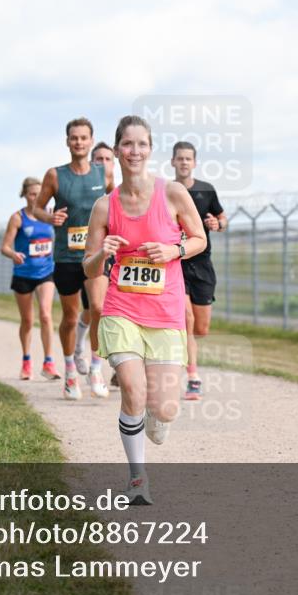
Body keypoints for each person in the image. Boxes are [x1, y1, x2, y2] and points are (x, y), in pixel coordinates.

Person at [84, 115, 206, 505]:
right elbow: (87, 266)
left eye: (141, 144)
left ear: (150, 149)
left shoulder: (172, 194)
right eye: (127, 144)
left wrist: (174, 250)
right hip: (122, 308)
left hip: (165, 311)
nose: (134, 151)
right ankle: (138, 480)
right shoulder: (105, 206)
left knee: (165, 409)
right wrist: (101, 255)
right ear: (116, 150)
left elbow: (200, 237)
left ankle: (158, 416)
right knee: (133, 391)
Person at [33, 117, 113, 400]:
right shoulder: (55, 175)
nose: (78, 142)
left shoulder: (103, 173)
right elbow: (38, 208)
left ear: (91, 141)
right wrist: (49, 216)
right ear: (67, 142)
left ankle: (94, 368)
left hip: (95, 254)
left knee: (100, 309)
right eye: (74, 138)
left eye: (83, 137)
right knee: (69, 316)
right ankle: (69, 372)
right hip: (66, 257)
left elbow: (117, 203)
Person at [171, 142, 228, 400]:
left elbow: (223, 219)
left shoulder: (206, 190)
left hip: (203, 264)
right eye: (180, 158)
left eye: (188, 159)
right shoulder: (166, 191)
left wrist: (218, 223)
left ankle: (183, 352)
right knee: (186, 319)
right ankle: (193, 376)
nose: (184, 162)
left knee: (201, 328)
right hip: (177, 262)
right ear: (173, 162)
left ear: (194, 163)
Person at [0, 177, 61, 381]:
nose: (36, 197)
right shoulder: (17, 218)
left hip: (46, 272)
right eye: (32, 194)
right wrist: (13, 255)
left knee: (45, 315)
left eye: (39, 193)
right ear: (25, 195)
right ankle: (26, 362)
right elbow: (5, 247)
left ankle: (49, 362)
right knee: (27, 320)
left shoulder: (50, 215)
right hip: (23, 274)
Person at [71, 141, 115, 378]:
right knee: (92, 309)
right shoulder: (83, 188)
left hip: (109, 257)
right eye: (98, 159)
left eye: (108, 159)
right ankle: (79, 348)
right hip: (80, 256)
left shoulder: (119, 193)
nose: (103, 163)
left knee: (100, 309)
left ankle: (97, 367)